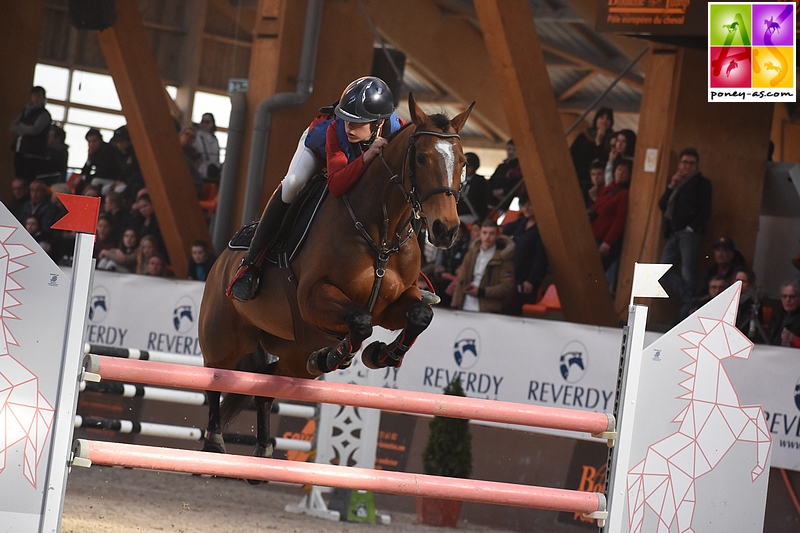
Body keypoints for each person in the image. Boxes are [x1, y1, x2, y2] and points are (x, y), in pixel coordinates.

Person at [227, 76, 404, 302]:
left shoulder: (397, 131)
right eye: (346, 119)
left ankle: (410, 277)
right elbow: (337, 184)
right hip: (319, 149)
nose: (349, 126)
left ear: (378, 123)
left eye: (357, 122)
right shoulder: (334, 130)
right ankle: (250, 265)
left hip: (360, 156)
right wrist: (368, 157)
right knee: (293, 184)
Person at [658, 148, 712, 318]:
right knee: (662, 269)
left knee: (689, 272)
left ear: (696, 165)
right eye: (684, 163)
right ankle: (690, 301)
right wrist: (671, 186)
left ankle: (689, 309)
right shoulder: (678, 183)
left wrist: (691, 228)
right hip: (674, 232)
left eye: (691, 163)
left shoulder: (702, 183)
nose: (687, 167)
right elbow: (662, 204)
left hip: (689, 233)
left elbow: (705, 210)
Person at [451, 219, 515, 313]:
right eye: (484, 233)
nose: (487, 237)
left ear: (497, 235)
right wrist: (455, 304)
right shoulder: (471, 254)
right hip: (465, 304)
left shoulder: (504, 258)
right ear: (480, 234)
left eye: (491, 233)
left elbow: (506, 287)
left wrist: (482, 292)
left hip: (488, 308)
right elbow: (461, 280)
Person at [501, 195, 548, 316]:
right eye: (524, 205)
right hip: (513, 275)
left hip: (525, 279)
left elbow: (540, 258)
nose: (526, 208)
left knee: (509, 308)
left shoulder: (541, 230)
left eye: (530, 205)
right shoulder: (521, 224)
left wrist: (531, 280)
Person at [589, 158, 631, 293]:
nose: (621, 174)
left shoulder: (624, 194)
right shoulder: (607, 189)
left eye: (625, 171)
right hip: (595, 235)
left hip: (605, 239)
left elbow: (620, 219)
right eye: (619, 170)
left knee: (598, 273)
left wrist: (608, 242)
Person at [570, 107, 614, 207]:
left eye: (608, 119)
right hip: (580, 178)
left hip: (599, 182)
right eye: (602, 118)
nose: (604, 121)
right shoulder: (583, 136)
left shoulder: (611, 140)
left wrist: (599, 142)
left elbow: (604, 160)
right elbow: (573, 156)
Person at [422, 222, 471, 307]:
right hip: (441, 278)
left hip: (456, 279)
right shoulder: (443, 246)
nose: (456, 236)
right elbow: (438, 263)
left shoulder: (466, 247)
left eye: (458, 233)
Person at [10, 86, 52, 181]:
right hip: (20, 150)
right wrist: (24, 128)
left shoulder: (44, 114)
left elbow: (35, 130)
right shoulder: (25, 111)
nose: (36, 99)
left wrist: (21, 126)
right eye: (34, 96)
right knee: (19, 179)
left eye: (39, 96)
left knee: (28, 180)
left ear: (43, 98)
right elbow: (13, 126)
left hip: (34, 154)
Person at [81, 128, 123, 194]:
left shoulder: (108, 150)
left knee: (95, 181)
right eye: (90, 142)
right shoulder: (94, 152)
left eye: (94, 141)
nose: (92, 144)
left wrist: (87, 177)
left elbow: (104, 171)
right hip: (102, 177)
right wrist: (89, 158)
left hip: (112, 178)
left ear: (100, 140)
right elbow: (84, 171)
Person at [487, 140, 522, 212]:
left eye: (514, 150)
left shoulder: (520, 168)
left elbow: (516, 184)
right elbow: (491, 180)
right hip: (491, 198)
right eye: (509, 149)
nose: (511, 152)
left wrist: (504, 192)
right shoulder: (502, 166)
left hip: (506, 200)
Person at [766, 278, 800, 347]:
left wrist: (795, 340)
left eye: (792, 297)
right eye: (784, 296)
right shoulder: (777, 313)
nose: (787, 300)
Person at [458, 152, 489, 225]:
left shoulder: (479, 181)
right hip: (461, 212)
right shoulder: (462, 180)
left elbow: (473, 201)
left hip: (473, 214)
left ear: (474, 167)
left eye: (467, 166)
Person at [193, 113, 221, 181]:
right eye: (203, 121)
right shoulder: (196, 137)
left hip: (212, 172)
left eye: (207, 122)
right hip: (200, 171)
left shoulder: (215, 140)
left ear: (212, 124)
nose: (204, 124)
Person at [179, 126, 204, 198]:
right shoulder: (172, 148)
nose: (188, 138)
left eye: (192, 137)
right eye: (186, 134)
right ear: (181, 134)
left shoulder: (196, 155)